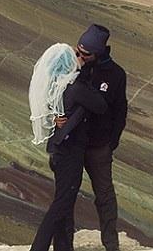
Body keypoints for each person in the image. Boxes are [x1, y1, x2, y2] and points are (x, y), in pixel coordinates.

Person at [28, 43, 108, 251]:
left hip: (58, 152)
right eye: (75, 56)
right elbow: (101, 105)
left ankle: (64, 247)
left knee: (66, 202)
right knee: (62, 203)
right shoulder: (76, 88)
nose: (80, 58)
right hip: (70, 154)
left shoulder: (56, 87)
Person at [55, 24, 127, 251]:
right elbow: (56, 94)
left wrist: (111, 143)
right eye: (78, 51)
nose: (79, 56)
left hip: (98, 146)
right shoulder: (73, 66)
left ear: (100, 52)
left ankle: (111, 246)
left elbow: (119, 111)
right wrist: (56, 118)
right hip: (73, 145)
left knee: (104, 196)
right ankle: (64, 246)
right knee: (66, 197)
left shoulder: (115, 74)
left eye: (85, 54)